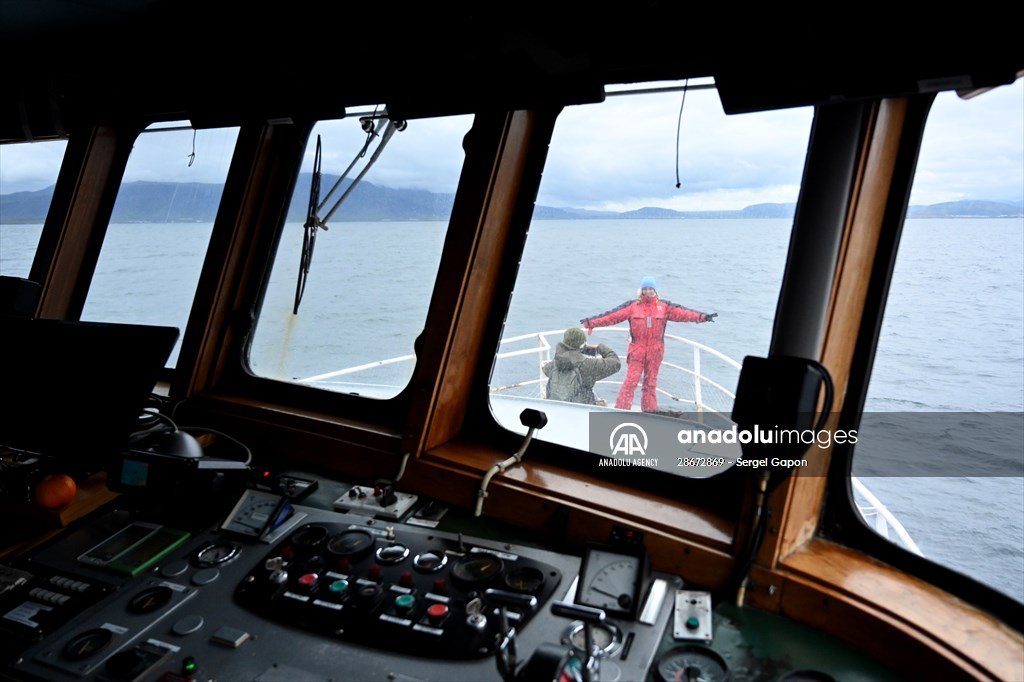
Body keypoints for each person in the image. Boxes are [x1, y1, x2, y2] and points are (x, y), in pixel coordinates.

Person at [582, 276, 717, 412]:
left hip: (655, 354)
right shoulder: (632, 306)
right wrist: (591, 323)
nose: (648, 291)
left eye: (650, 288)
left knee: (650, 385)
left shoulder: (664, 307)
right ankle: (621, 411)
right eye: (645, 288)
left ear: (655, 289)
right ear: (641, 290)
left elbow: (684, 313)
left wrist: (703, 317)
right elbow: (611, 316)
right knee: (630, 384)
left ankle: (649, 412)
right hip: (637, 353)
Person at [543, 327, 621, 405]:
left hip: (557, 406)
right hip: (580, 409)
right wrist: (599, 347)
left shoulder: (556, 362)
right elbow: (616, 363)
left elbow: (545, 369)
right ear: (582, 345)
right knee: (599, 401)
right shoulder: (588, 365)